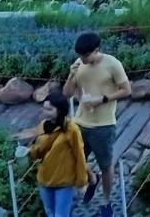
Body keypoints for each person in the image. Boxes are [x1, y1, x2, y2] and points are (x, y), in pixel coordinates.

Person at [63, 31, 131, 217]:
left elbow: (126, 90)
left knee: (106, 164)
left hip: (103, 125)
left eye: (86, 55)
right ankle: (93, 180)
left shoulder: (112, 64)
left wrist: (103, 99)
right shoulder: (79, 66)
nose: (82, 59)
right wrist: (71, 76)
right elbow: (67, 93)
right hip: (80, 121)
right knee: (74, 158)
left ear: (96, 50)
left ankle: (106, 201)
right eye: (80, 55)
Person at [28, 89, 89, 217]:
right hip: (45, 179)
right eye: (44, 109)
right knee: (50, 213)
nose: (45, 112)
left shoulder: (71, 129)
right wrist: (31, 151)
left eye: (49, 109)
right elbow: (36, 151)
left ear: (59, 110)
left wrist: (82, 182)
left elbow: (79, 155)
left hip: (64, 181)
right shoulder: (43, 125)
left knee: (60, 215)